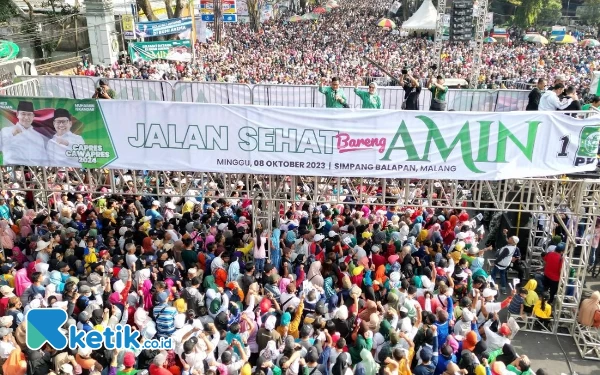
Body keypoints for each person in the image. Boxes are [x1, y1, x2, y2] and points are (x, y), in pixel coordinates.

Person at [0, 101, 47, 166]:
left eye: (29, 114)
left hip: (34, 171)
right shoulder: (6, 131)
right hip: (13, 170)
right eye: (23, 114)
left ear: (33, 116)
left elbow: (44, 159)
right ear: (17, 115)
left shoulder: (38, 137)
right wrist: (11, 135)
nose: (26, 117)